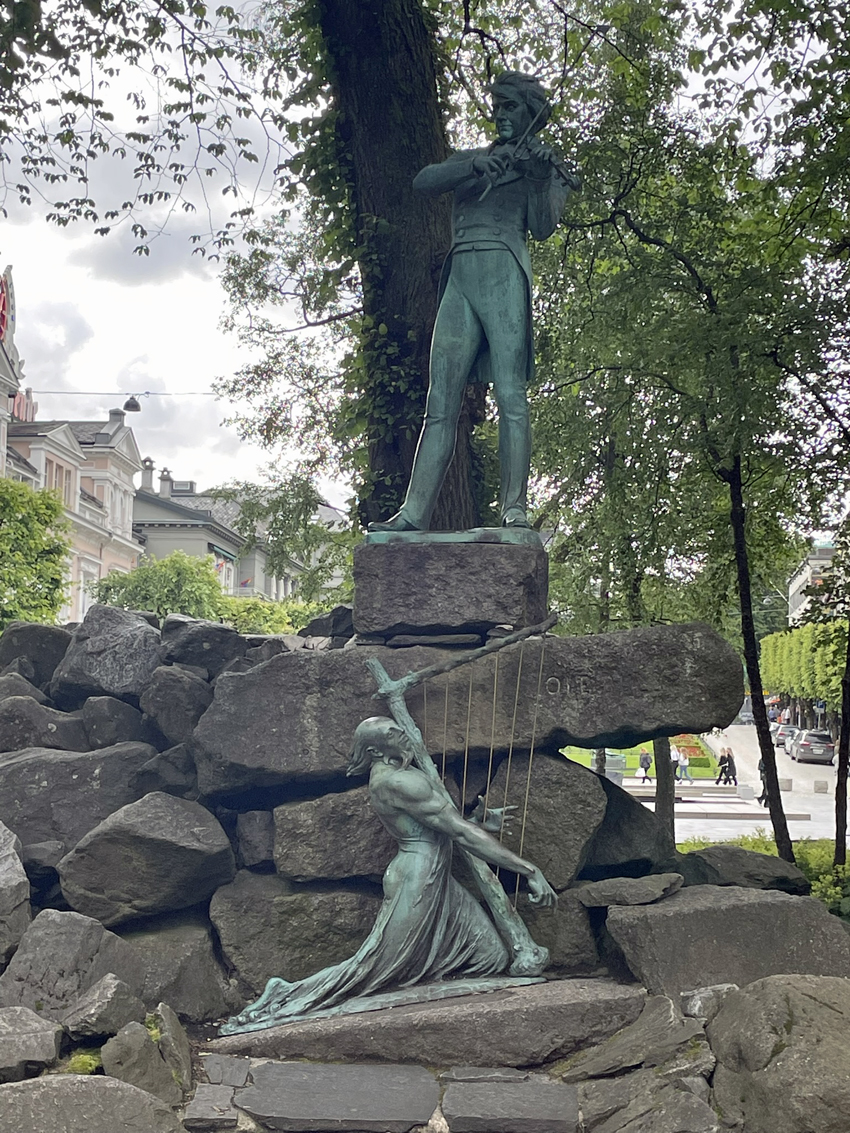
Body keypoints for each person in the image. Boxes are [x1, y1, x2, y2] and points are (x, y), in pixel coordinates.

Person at [222, 716, 557, 1035]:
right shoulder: (398, 782)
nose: (406, 736)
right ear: (375, 751)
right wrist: (529, 870)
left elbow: (443, 826)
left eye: (400, 730)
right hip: (418, 878)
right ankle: (287, 992)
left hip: (438, 877)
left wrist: (477, 823)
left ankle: (430, 985)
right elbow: (458, 833)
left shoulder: (401, 776)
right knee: (373, 966)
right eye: (395, 734)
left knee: (490, 958)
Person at [370, 72, 578, 533]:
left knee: (511, 395)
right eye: (497, 106)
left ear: (530, 113)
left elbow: (543, 226)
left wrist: (540, 177)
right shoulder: (472, 159)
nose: (500, 114)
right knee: (439, 402)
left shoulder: (545, 167)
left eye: (510, 107)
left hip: (504, 271)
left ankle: (514, 507)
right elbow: (424, 181)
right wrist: (475, 167)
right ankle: (413, 512)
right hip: (460, 277)